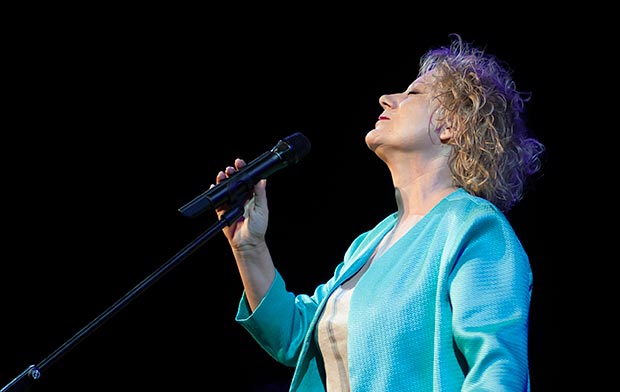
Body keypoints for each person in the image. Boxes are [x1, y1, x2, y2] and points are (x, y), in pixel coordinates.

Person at [212, 33, 545, 391]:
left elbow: (498, 372)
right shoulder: (370, 244)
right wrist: (249, 247)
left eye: (413, 93)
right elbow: (296, 336)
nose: (387, 98)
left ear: (453, 125)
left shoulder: (473, 228)